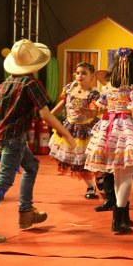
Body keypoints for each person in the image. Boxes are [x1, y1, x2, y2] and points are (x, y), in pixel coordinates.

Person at [0, 39, 76, 244]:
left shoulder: (6, 83)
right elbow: (45, 115)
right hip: (14, 138)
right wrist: (66, 134)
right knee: (4, 181)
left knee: (31, 166)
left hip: (6, 135)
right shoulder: (31, 84)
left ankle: (26, 212)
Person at [84, 48, 133, 234]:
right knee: (126, 176)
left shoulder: (108, 86)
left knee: (118, 176)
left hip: (109, 129)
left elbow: (100, 108)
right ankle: (118, 221)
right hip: (126, 129)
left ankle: (122, 218)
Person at [48, 62, 102, 199]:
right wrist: (51, 114)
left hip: (87, 131)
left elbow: (94, 112)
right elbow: (63, 104)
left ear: (91, 77)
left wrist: (85, 110)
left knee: (91, 159)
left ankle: (100, 177)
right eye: (78, 73)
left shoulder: (93, 94)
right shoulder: (69, 88)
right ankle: (90, 186)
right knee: (77, 161)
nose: (80, 76)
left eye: (84, 73)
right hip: (71, 129)